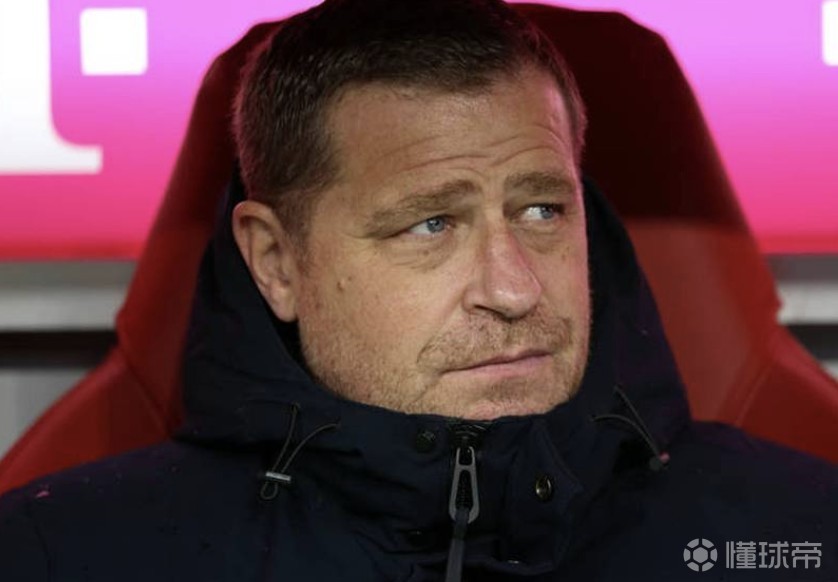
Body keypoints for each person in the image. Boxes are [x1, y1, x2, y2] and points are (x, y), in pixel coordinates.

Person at [0, 0, 835, 580]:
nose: (513, 291)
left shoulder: (805, 531)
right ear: (276, 262)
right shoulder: (59, 555)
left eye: (542, 210)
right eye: (430, 224)